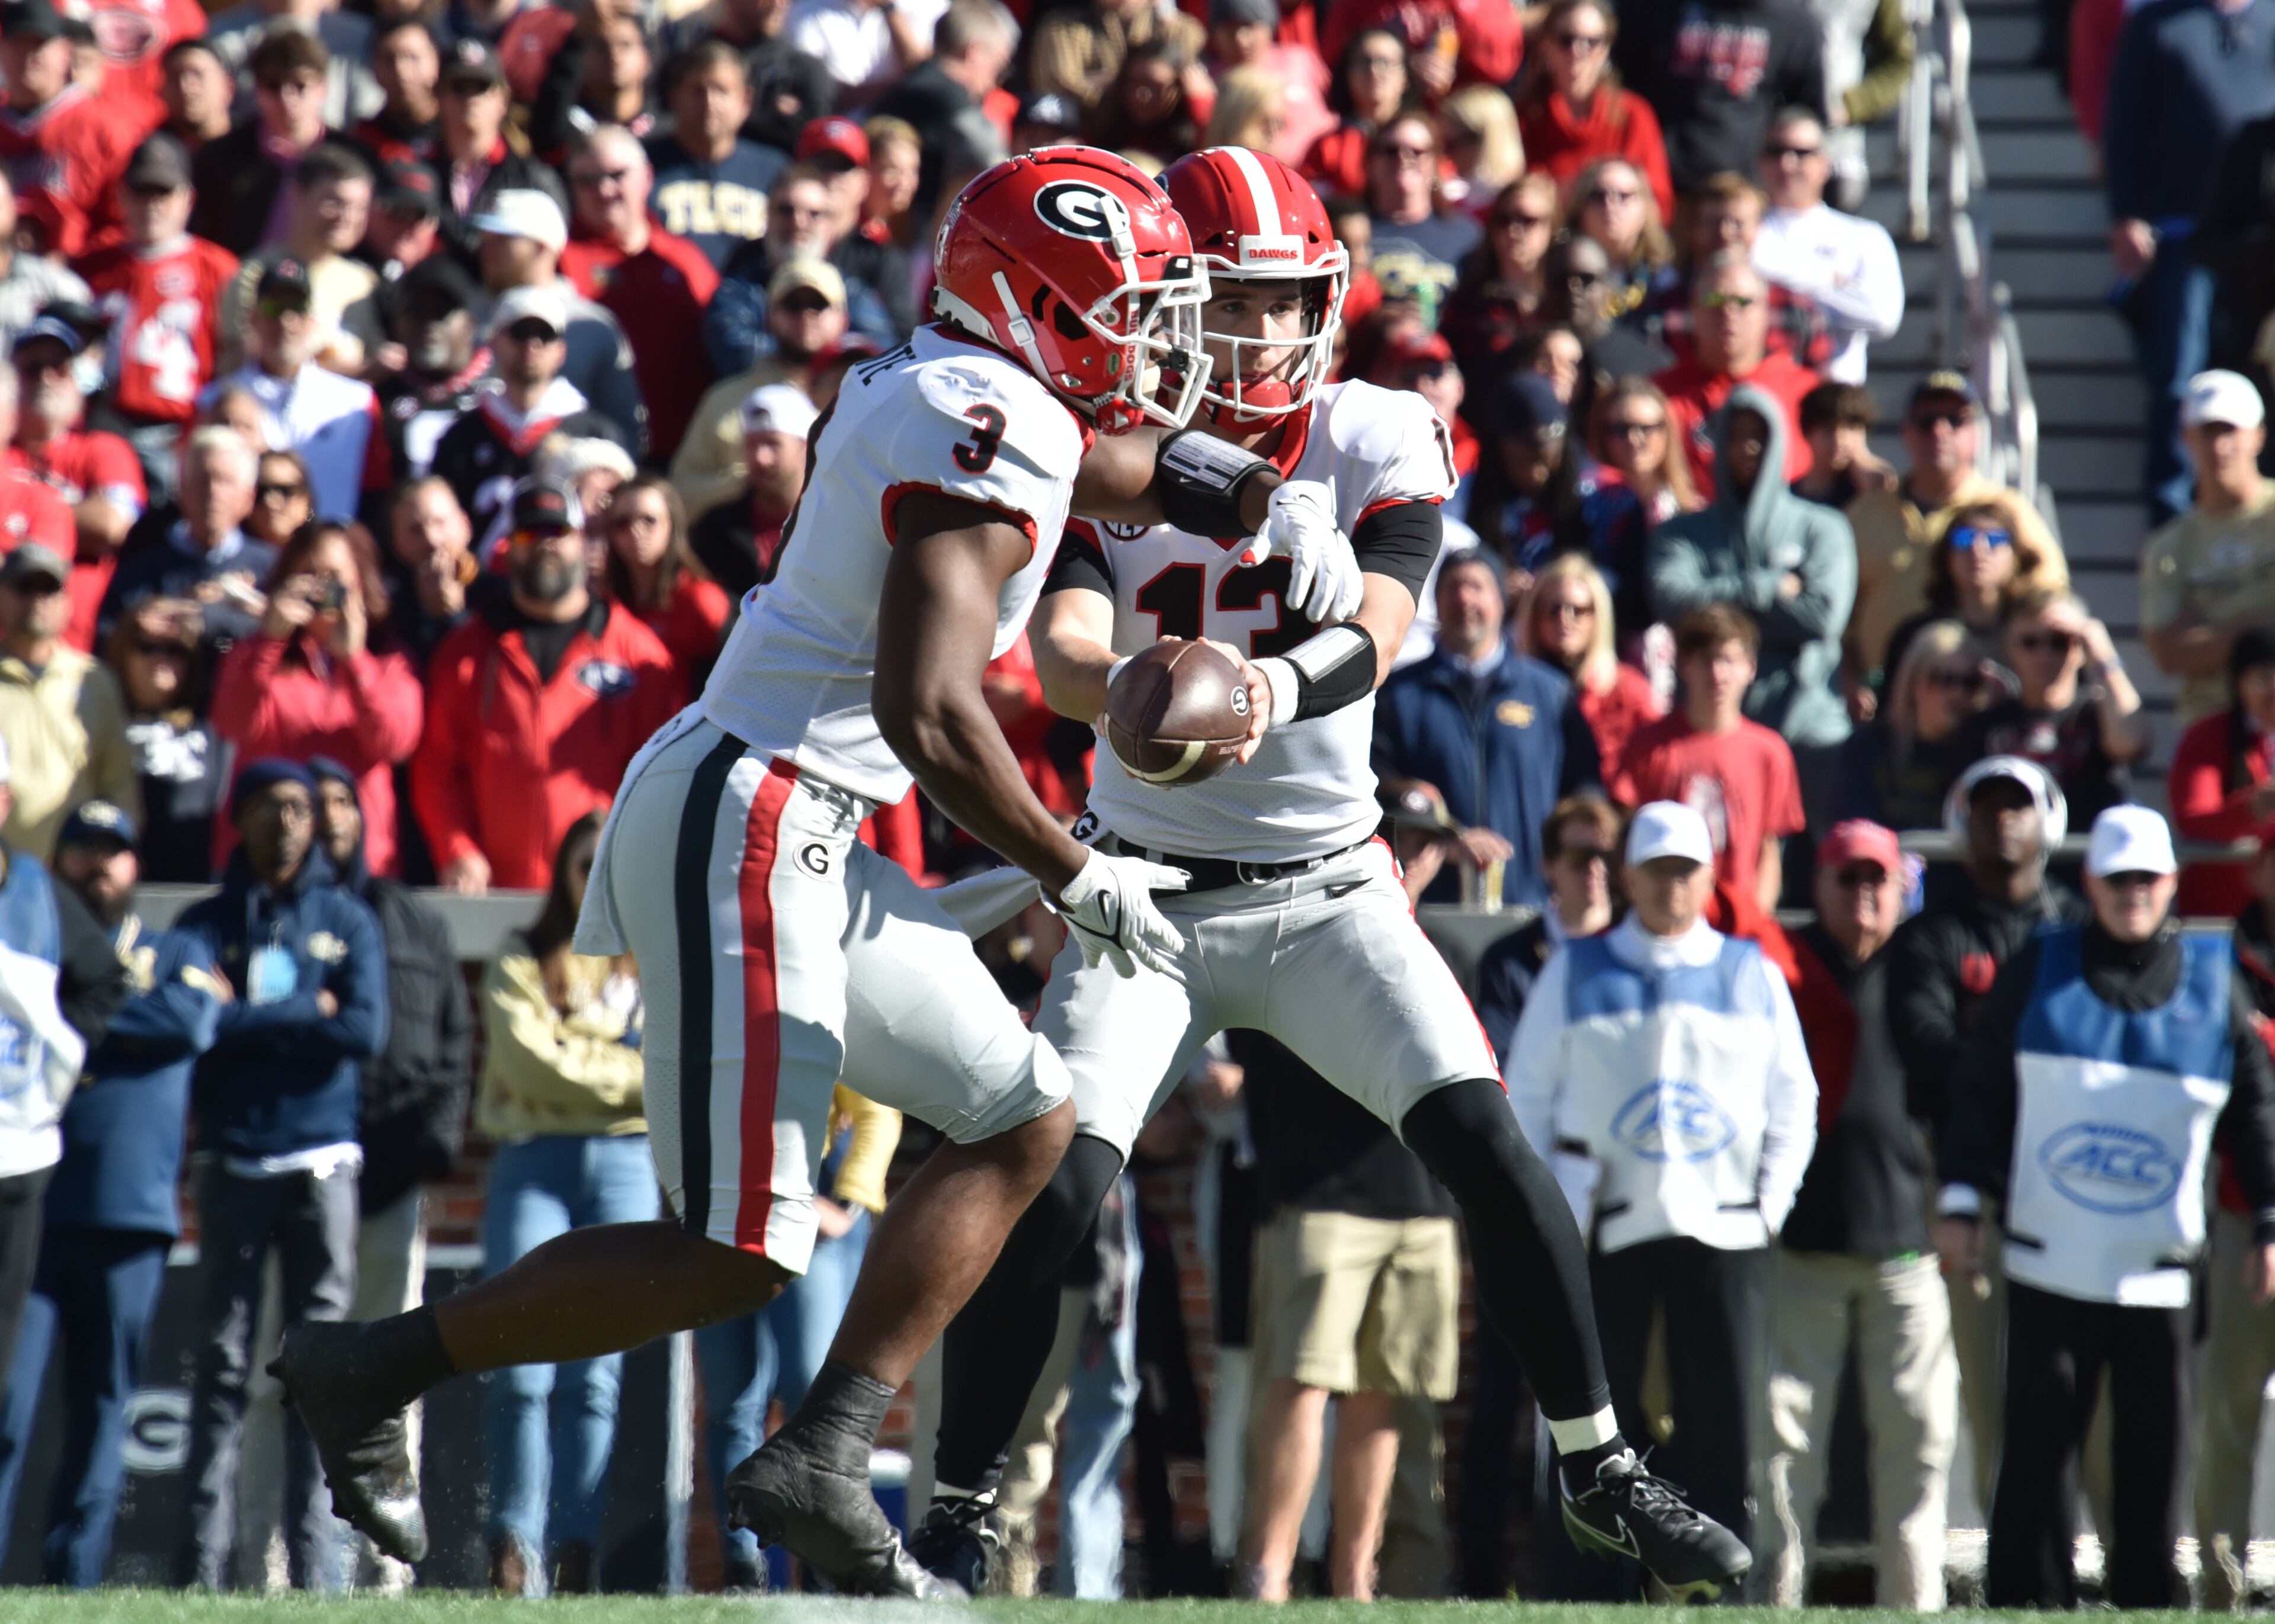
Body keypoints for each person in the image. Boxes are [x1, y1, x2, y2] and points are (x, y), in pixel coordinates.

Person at [274, 147, 1237, 1601]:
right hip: (754, 813)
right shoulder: (990, 422)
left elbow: (1090, 472)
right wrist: (1070, 860)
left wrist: (1255, 473)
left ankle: (827, 1447)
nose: (1158, 346)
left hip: (799, 821)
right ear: (1047, 307)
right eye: (1138, 310)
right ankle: (369, 1368)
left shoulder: (966, 387)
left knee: (1023, 1116)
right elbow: (930, 707)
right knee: (734, 1248)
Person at [911, 149, 1749, 1607]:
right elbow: (1055, 648)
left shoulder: (1372, 429)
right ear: (1169, 305)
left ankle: (1601, 1464)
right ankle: (958, 1506)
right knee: (1048, 1185)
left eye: (1287, 303)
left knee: (1484, 1141)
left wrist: (1258, 691)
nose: (1259, 338)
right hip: (1146, 893)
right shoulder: (1109, 436)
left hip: (1325, 886)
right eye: (1230, 305)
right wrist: (1129, 697)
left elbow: (1381, 622)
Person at [1938, 805, 2275, 1609]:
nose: (2133, 892)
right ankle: (2029, 1600)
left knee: (2156, 1457)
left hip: (2159, 1270)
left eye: (2147, 878)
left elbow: (2256, 1108)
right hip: (2047, 1256)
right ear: (2090, 881)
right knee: (2038, 1453)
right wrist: (1959, 1195)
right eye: (2118, 877)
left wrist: (2269, 1215)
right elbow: (1980, 1090)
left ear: (2172, 883)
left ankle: (2150, 1600)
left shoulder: (2212, 979)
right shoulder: (2039, 965)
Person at [1507, 799, 1818, 1578]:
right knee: (1594, 1425)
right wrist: (1555, 1216)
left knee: (1723, 1428)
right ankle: (1589, 1585)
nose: (1671, 886)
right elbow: (1527, 1099)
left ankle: (1717, 1581)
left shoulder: (1751, 971)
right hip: (1601, 1235)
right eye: (1655, 870)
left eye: (1685, 870)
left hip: (1726, 1234)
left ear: (1709, 875)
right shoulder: (1573, 970)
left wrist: (1769, 1204)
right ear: (1627, 875)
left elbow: (1795, 1099)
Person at [169, 758, 387, 1591]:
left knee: (317, 1370)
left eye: (301, 807)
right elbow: (197, 1019)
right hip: (232, 1159)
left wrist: (253, 1017)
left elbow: (364, 1028)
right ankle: (199, 1572)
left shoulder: (348, 918)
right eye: (272, 807)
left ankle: (315, 1573)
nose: (291, 822)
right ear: (242, 817)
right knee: (222, 1364)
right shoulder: (205, 919)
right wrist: (311, 1012)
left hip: (321, 1161)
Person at [0, 801, 219, 1587]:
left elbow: (192, 1018)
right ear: (55, 865)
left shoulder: (175, 946)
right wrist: (111, 1014)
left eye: (116, 851)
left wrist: (65, 1012)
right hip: (32, 1214)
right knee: (6, 1409)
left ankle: (76, 1587)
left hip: (130, 1217)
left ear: (138, 866)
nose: (100, 865)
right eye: (83, 850)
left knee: (103, 1414)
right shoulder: (24, 941)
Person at [1758, 819, 1957, 1609]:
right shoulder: (1784, 971)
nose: (1864, 892)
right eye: (1848, 877)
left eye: (1878, 877)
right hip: (1800, 1247)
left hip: (1907, 1253)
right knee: (1781, 1447)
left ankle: (1915, 1602)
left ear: (1902, 885)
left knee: (1919, 1443)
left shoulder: (1921, 967)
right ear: (1821, 885)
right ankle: (1774, 1597)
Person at [1887, 753, 2082, 1516]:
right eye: (1987, 805)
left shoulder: (2076, 925)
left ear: (2048, 821)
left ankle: (2087, 1557)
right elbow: (1924, 1048)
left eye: (2018, 805)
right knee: (1988, 1383)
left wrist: (1986, 1043)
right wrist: (2025, 1049)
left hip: (2070, 1181)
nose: (2003, 819)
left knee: (2080, 1382)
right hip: (1965, 1179)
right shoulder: (1931, 935)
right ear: (1960, 824)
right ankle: (2015, 1560)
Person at [471, 813, 655, 1594]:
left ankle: (577, 1549)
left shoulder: (662, 964)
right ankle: (513, 1546)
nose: (597, 879)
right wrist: (629, 1072)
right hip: (533, 1166)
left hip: (628, 1166)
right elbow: (528, 1064)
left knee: (597, 1375)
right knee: (519, 1359)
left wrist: (578, 1058)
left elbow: (662, 1063)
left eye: (610, 865)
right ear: (562, 872)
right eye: (585, 864)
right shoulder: (520, 956)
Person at [1233, 1031, 1460, 1601]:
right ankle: (1269, 1575)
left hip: (1423, 1204)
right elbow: (1266, 1058)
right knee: (1300, 1381)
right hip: (1318, 1195)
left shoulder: (1443, 959)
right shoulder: (1294, 951)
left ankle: (1355, 1583)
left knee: (1385, 1391)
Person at [412, 478, 680, 895]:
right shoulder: (464, 656)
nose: (545, 543)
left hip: (602, 892)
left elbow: (665, 778)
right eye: (529, 532)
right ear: (508, 548)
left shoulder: (640, 654)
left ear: (583, 541)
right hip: (495, 897)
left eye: (558, 531)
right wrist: (456, 849)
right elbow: (436, 771)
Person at [2099, 0, 2275, 525]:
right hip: (2178, 232)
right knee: (2179, 376)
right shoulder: (2157, 24)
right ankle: (2171, 515)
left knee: (2262, 372)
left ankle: (2261, 514)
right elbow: (2123, 120)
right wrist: (2125, 211)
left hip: (2263, 243)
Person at [1648, 389, 1857, 812]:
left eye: (1759, 437)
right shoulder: (1682, 535)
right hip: (1711, 726)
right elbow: (1676, 605)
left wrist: (1719, 599)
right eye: (1736, 436)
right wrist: (1765, 587)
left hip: (1809, 725)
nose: (1747, 449)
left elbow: (1822, 617)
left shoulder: (1823, 528)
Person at [1375, 550, 1604, 909]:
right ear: (1436, 602)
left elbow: (1584, 795)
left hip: (1531, 907)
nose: (1464, 598)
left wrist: (1565, 875)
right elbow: (1378, 794)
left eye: (1476, 587)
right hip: (1431, 910)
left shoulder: (1551, 694)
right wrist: (1449, 839)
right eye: (1452, 588)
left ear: (1502, 601)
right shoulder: (1399, 696)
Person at [209, 522, 423, 877]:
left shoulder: (390, 662)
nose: (321, 589)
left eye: (333, 577)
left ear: (361, 581)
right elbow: (232, 724)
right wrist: (270, 640)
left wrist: (354, 661)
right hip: (268, 861)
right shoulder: (255, 656)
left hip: (359, 863)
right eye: (308, 576)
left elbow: (394, 743)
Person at [1848, 371, 2068, 695]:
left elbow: (2049, 598)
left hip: (1984, 692)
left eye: (1955, 420)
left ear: (1976, 434)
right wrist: (1850, 681)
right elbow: (1837, 618)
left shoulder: (2008, 510)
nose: (1941, 431)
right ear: (1906, 433)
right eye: (1927, 421)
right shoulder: (1864, 514)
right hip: (1882, 694)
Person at [1614, 604, 1807, 914]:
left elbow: (1769, 850)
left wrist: (1756, 920)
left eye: (1729, 661)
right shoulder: (1649, 745)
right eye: (1706, 661)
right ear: (1685, 665)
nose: (1717, 674)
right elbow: (1627, 836)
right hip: (1663, 916)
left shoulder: (1770, 752)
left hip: (1739, 919)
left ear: (1750, 668)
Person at [2199, 822, 2275, 1609]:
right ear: (2258, 867)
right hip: (2236, 1216)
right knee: (2229, 1413)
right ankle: (2218, 1590)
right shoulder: (2216, 967)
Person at [79, 135, 239, 501]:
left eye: (163, 193)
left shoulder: (218, 268)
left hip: (180, 428)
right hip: (106, 422)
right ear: (121, 196)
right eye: (141, 192)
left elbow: (234, 354)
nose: (152, 205)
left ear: (188, 199)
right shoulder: (93, 267)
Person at [559, 127, 720, 465]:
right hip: (594, 458)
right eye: (587, 180)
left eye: (617, 175)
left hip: (683, 455)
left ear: (648, 177)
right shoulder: (558, 258)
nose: (603, 190)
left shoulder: (684, 259)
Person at [467, 188, 646, 455]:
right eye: (485, 239)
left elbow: (626, 431)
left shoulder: (591, 326)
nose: (486, 250)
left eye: (502, 240)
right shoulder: (466, 317)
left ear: (542, 246)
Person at [2141, 369, 2275, 725]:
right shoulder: (2168, 545)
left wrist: (2211, 633)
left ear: (2259, 436)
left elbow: (2185, 646)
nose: (2219, 446)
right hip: (2210, 718)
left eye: (2229, 430)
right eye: (2207, 431)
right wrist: (2262, 624)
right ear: (2187, 438)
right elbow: (2170, 653)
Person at [205, 259, 383, 524]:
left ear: (312, 320)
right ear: (253, 318)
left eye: (297, 308)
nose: (286, 321)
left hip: (330, 551)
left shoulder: (356, 403)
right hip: (248, 552)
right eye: (273, 307)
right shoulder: (213, 401)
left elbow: (378, 491)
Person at [1954, 589, 2144, 830]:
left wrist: (2100, 650)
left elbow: (2132, 743)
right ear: (2010, 648)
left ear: (2081, 648)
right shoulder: (1985, 725)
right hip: (2015, 863)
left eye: (2059, 642)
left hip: (2085, 861)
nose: (2043, 655)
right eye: (2029, 642)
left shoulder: (2100, 714)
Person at [12, 317, 148, 653]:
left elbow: (111, 524)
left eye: (58, 367)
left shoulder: (104, 450)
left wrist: (21, 519)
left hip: (85, 651)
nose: (45, 378)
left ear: (76, 380)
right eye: (32, 368)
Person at [675, 259, 850, 517]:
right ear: (769, 317)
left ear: (842, 318)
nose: (805, 315)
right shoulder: (724, 400)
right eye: (793, 305)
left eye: (818, 304)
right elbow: (680, 493)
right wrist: (748, 485)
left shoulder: (862, 395)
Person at [0, 544, 139, 863]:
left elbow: (118, 782)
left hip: (77, 878)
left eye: (49, 589)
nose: (37, 600)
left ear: (67, 602)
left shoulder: (94, 679)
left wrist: (113, 856)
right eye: (24, 588)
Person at [1610, 0, 1828, 197]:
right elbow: (1619, 91)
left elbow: (1806, 117)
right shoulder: (1651, 8)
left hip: (1743, 192)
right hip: (1659, 187)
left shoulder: (1794, 23)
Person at [1751, 108, 1904, 385]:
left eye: (1801, 153)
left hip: (1835, 400)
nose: (1787, 164)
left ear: (1825, 163)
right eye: (1776, 152)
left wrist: (1779, 278)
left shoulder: (1865, 236)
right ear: (1761, 162)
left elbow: (1883, 317)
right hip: (1764, 398)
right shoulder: (1747, 232)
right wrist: (1828, 277)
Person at [428, 285, 592, 542]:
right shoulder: (460, 438)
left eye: (545, 335)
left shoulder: (593, 436)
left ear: (562, 350)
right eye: (520, 332)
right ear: (494, 342)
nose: (532, 344)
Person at [1654, 252, 1820, 502]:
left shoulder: (1808, 392)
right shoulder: (1657, 396)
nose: (1728, 311)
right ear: (1693, 310)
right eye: (1714, 299)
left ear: (1766, 311)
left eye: (1743, 301)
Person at [98, 427, 273, 657]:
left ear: (248, 498)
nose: (213, 492)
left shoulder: (271, 568)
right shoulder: (142, 567)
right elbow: (108, 640)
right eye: (203, 480)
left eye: (225, 482)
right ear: (182, 489)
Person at [1514, 0, 1674, 220]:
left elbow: (1658, 204)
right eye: (1566, 40)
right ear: (1545, 45)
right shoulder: (1525, 114)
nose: (1578, 51)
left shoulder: (1633, 114)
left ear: (1606, 49)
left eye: (1592, 42)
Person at [0, 0, 134, 259]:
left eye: (39, 45)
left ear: (65, 52)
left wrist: (75, 257)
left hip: (81, 278)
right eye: (18, 44)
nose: (29, 56)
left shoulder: (104, 127)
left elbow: (125, 227)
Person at [1831, 619, 1993, 830]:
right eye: (1944, 679)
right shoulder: (1868, 747)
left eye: (1970, 682)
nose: (1958, 694)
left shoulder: (1984, 755)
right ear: (1913, 682)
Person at [864, 1, 1015, 218]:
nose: (997, 81)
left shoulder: (916, 82)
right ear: (974, 52)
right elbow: (993, 164)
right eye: (1000, 65)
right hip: (908, 234)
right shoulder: (948, 96)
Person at [188, 30, 331, 259]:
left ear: (323, 88)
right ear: (257, 88)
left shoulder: (350, 156)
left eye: (300, 85)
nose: (287, 97)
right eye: (274, 86)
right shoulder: (221, 157)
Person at [107, 601, 223, 882]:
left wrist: (203, 617)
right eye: (147, 647)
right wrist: (133, 621)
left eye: (175, 650)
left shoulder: (215, 719)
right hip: (118, 889)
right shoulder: (99, 720)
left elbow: (251, 647)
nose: (161, 660)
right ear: (124, 654)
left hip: (196, 889)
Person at [645, 44, 786, 271]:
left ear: (746, 101)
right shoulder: (643, 166)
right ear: (674, 97)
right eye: (698, 91)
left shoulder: (775, 171)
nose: (710, 102)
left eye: (722, 91)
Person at [1515, 553, 1663, 769]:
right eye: (1554, 610)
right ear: (1534, 615)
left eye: (1578, 610)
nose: (1565, 620)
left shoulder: (1628, 690)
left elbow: (1655, 761)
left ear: (1597, 616)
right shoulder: (1512, 689)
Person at [2168, 626, 2275, 919]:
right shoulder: (2209, 736)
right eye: (2265, 677)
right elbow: (2193, 820)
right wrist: (2254, 807)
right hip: (2220, 916)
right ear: (2240, 683)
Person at [602, 474, 729, 689]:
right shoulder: (605, 601)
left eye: (649, 520)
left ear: (672, 524)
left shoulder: (701, 600)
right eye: (622, 523)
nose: (636, 531)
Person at [1439, 174, 1560, 399]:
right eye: (1505, 220)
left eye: (1527, 220)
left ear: (1551, 228)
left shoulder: (1564, 299)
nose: (1514, 230)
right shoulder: (1470, 305)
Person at [689, 382, 812, 599]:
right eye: (752, 444)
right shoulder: (715, 530)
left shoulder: (831, 521)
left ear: (804, 445)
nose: (760, 458)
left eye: (773, 444)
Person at [1364, 115, 1478, 329]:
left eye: (1417, 152)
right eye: (1391, 150)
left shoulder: (1466, 236)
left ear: (1435, 162)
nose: (1404, 158)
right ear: (1371, 161)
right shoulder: (1352, 229)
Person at [1028, 0, 1201, 115]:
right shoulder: (1062, 28)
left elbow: (1181, 89)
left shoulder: (1180, 30)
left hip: (1167, 147)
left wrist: (1100, 81)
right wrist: (1126, 83)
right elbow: (1060, 93)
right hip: (1089, 145)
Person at [1299, 29, 1409, 201]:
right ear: (1348, 74)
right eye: (1364, 62)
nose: (1374, 70)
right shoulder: (1328, 147)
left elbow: (1439, 188)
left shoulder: (1420, 142)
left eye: (1386, 62)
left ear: (1405, 77)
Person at [1569, 158, 1678, 312]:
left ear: (1645, 210)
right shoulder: (1563, 278)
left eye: (1624, 196)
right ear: (1580, 209)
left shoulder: (1663, 284)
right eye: (1599, 196)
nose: (1610, 205)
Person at [1589, 375, 1698, 527]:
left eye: (1646, 429)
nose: (1634, 439)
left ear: (1666, 433)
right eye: (1621, 430)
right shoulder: (1587, 506)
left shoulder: (1692, 514)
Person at [1790, 380, 1891, 510]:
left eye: (1850, 428)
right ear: (1807, 432)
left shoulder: (1865, 489)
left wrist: (1863, 462)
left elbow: (1885, 485)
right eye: (1829, 429)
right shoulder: (1787, 498)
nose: (1839, 440)